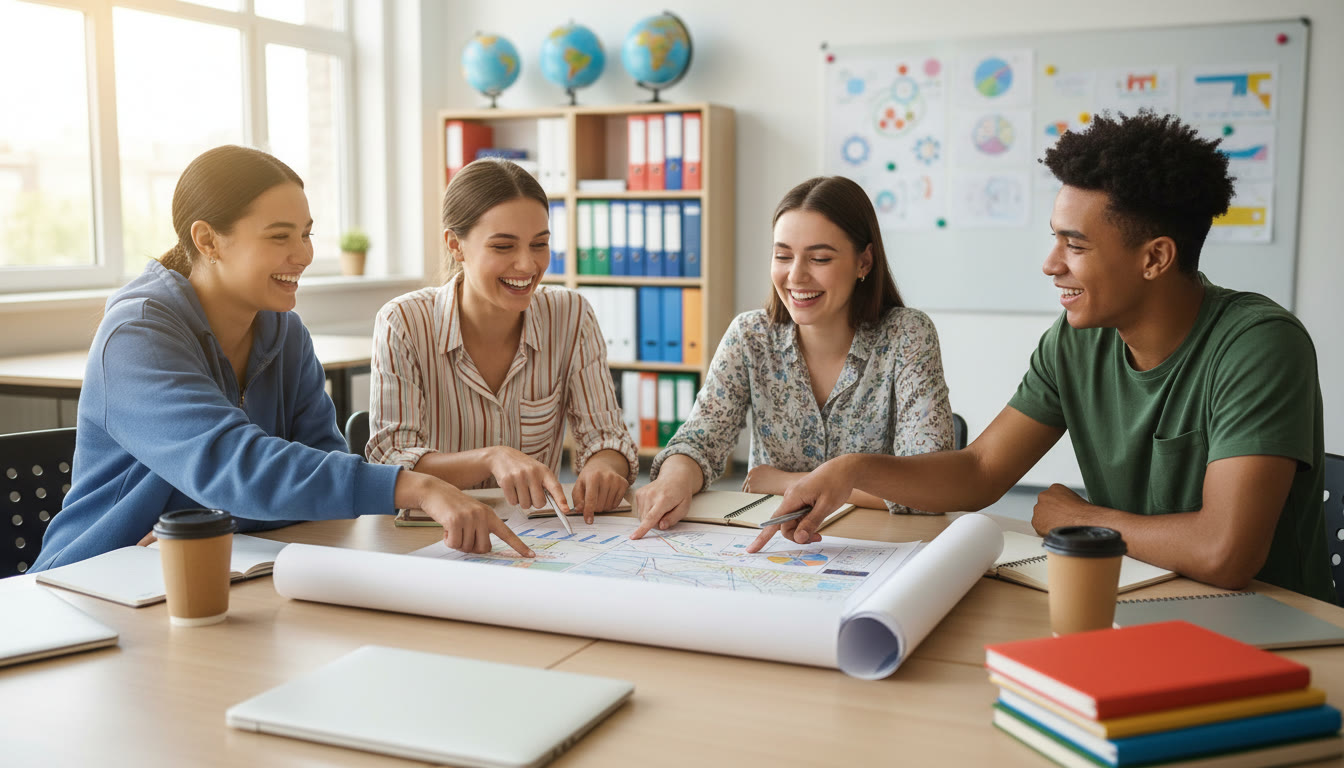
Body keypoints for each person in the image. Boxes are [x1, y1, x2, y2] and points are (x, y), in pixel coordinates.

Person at [749, 112, 1332, 602]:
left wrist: (1081, 517)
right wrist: (853, 469)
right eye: (1055, 238)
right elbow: (979, 472)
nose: (1051, 263)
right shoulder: (1076, 339)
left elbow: (1224, 552)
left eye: (1074, 245)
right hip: (1135, 595)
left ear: (1155, 258)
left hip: (1263, 625)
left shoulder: (1259, 345)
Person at [33, 146, 532, 571]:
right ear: (207, 240)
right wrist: (416, 486)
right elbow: (233, 466)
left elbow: (319, 477)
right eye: (280, 236)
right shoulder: (136, 333)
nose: (304, 253)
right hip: (98, 577)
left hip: (225, 567)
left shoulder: (284, 331)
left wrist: (215, 524)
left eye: (307, 233)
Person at [632, 176, 954, 539]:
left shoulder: (907, 335)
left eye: (819, 258)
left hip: (881, 546)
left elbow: (931, 484)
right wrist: (675, 478)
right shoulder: (750, 336)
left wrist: (784, 482)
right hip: (776, 547)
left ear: (863, 261)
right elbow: (700, 440)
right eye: (783, 256)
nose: (796, 276)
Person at [367, 159, 637, 521]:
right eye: (503, 247)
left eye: (539, 244)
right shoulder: (403, 322)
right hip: (432, 534)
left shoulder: (571, 315)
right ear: (455, 245)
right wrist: (491, 458)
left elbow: (606, 437)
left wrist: (604, 467)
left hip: (538, 534)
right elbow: (392, 459)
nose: (527, 265)